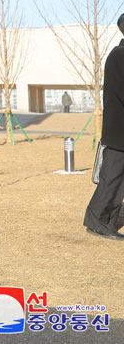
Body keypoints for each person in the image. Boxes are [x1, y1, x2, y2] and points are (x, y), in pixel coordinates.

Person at [84, 14, 124, 241]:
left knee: (115, 180)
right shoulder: (120, 56)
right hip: (119, 133)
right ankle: (99, 223)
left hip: (119, 132)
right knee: (112, 180)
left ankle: (99, 221)